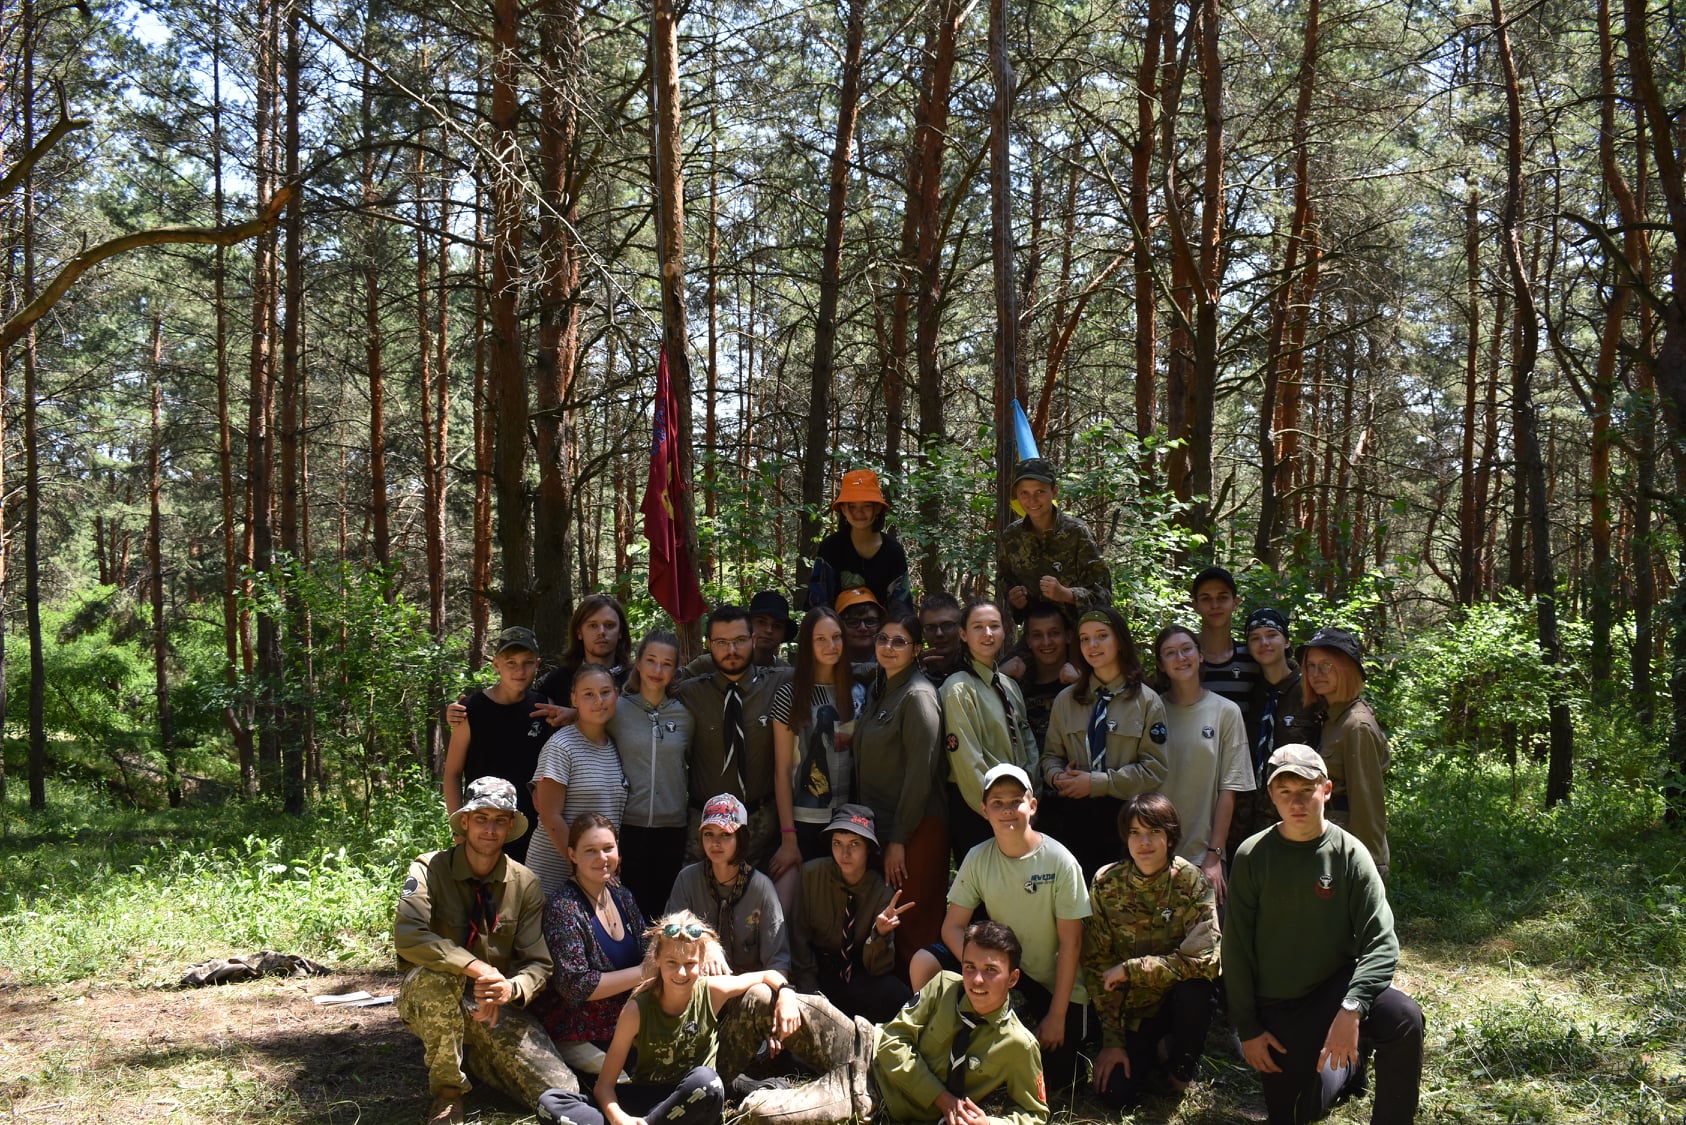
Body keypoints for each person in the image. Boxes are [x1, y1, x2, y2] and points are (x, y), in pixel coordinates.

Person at [1224, 745, 1423, 1124]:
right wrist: (1248, 1027)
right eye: (1285, 792)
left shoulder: (1350, 853)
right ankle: (1348, 1065)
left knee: (1403, 1017)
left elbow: (1382, 941)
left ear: (1326, 790)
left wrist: (1353, 1007)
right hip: (1279, 1003)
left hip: (1336, 989)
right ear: (1271, 796)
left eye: (1306, 790)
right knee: (1299, 1113)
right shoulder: (1252, 855)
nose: (1296, 802)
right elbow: (1236, 949)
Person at [395, 777, 578, 1125]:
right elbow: (409, 934)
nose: (490, 830)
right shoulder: (429, 868)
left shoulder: (525, 883)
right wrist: (477, 968)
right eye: (481, 819)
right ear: (465, 821)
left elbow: (538, 963)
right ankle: (448, 1094)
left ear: (510, 827)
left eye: (499, 821)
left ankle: (474, 1059)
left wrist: (510, 988)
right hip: (431, 992)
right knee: (437, 980)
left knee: (562, 1091)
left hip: (490, 1002)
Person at [910, 764, 1090, 1091]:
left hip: (1051, 984)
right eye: (997, 803)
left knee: (1060, 1081)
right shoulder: (978, 857)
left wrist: (1057, 1015)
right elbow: (952, 927)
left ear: (1032, 806)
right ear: (984, 810)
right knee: (924, 962)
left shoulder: (1060, 861)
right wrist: (979, 970)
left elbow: (1072, 944)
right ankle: (935, 1046)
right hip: (1001, 972)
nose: (1007, 810)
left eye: (1015, 801)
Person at [535, 912, 801, 1125]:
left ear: (702, 963)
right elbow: (604, 1087)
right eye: (672, 962)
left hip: (694, 1097)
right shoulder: (636, 1010)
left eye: (690, 964)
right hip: (648, 1098)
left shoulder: (712, 992)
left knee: (708, 1082)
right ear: (657, 960)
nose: (681, 973)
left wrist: (787, 994)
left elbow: (768, 975)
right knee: (549, 1103)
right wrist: (619, 1119)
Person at [1082, 792, 1220, 1110]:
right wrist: (1112, 1041)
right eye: (1135, 832)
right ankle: (1156, 1048)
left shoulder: (1191, 882)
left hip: (1176, 1002)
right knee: (1114, 1094)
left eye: (1154, 832)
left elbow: (1205, 961)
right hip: (1133, 1010)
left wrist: (1133, 968)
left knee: (1198, 991)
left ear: (1170, 837)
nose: (1144, 842)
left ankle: (1180, 1068)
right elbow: (1096, 964)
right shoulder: (1106, 883)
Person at [874, 920, 1048, 1125]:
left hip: (874, 1099)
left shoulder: (1020, 1044)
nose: (977, 979)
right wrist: (942, 1099)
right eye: (970, 967)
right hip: (869, 1058)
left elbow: (1035, 1115)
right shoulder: (943, 986)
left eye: (990, 970)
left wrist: (989, 1123)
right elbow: (891, 1041)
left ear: (1012, 978)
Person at [851, 608, 948, 975]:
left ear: (917, 649)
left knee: (914, 925)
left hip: (916, 829)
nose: (888, 647)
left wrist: (899, 839)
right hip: (884, 826)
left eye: (899, 641)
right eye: (883, 639)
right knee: (892, 921)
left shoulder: (918, 696)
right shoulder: (882, 690)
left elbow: (921, 774)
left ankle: (925, 1001)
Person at [1040, 606, 1169, 879]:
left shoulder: (1147, 701)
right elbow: (1050, 756)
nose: (1093, 645)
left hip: (1129, 822)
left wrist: (1097, 783)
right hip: (1073, 820)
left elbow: (1154, 770)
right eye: (1085, 639)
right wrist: (1057, 777)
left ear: (1120, 641)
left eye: (1101, 636)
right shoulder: (1066, 700)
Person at [672, 606, 791, 868]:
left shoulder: (779, 683)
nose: (732, 650)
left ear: (753, 640)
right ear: (709, 645)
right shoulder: (689, 693)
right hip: (704, 825)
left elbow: (828, 670)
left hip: (761, 823)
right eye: (722, 643)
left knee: (758, 893)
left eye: (739, 640)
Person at [532, 814, 648, 1076]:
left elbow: (647, 948)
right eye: (590, 850)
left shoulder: (622, 895)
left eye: (608, 848)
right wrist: (646, 972)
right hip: (577, 1029)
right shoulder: (564, 908)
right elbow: (576, 985)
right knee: (629, 1081)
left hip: (626, 1020)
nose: (602, 858)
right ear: (572, 855)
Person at [1152, 624, 1253, 905]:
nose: (1180, 658)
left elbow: (1229, 789)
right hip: (1153, 854)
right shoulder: (1150, 709)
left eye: (1186, 649)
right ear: (1161, 664)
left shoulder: (1226, 712)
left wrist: (1214, 855)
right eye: (1170, 653)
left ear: (1200, 655)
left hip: (1203, 857)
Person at [788, 805, 913, 1022]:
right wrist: (810, 994)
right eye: (837, 843)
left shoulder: (881, 892)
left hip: (856, 975)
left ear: (868, 848)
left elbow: (878, 968)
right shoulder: (811, 875)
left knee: (895, 993)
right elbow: (799, 939)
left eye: (854, 844)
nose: (844, 853)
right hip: (816, 974)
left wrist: (879, 934)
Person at [939, 599, 1040, 866]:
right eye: (978, 627)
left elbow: (1027, 743)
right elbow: (967, 762)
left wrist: (1029, 799)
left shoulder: (1008, 685)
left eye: (994, 626)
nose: (987, 634)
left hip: (1017, 807)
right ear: (963, 634)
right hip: (979, 811)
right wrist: (995, 810)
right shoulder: (958, 689)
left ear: (1004, 631)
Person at [443, 627, 551, 863]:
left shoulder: (544, 708)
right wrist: (459, 832)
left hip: (534, 834)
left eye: (527, 663)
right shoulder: (470, 711)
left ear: (537, 664)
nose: (519, 671)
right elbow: (452, 773)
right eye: (511, 662)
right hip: (483, 831)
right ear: (496, 664)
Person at [770, 607, 863, 880]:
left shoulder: (858, 692)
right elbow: (782, 771)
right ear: (807, 645)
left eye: (836, 637)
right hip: (803, 820)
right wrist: (788, 837)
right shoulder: (790, 695)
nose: (830, 645)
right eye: (820, 639)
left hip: (848, 819)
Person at [611, 632, 694, 922]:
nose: (657, 670)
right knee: (629, 911)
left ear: (676, 669)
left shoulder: (686, 715)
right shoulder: (616, 709)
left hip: (673, 828)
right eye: (651, 660)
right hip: (627, 827)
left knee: (665, 913)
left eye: (666, 664)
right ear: (638, 662)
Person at [525, 663, 629, 896]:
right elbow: (550, 815)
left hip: (595, 874)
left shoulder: (616, 746)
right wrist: (582, 866)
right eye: (588, 694)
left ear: (616, 694)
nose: (598, 701)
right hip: (553, 876)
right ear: (574, 699)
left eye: (605, 692)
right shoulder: (561, 747)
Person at [1300, 626, 1390, 879]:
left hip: (1347, 851)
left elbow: (1367, 804)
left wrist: (1371, 868)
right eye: (1311, 666)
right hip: (1325, 841)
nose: (1316, 674)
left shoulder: (1357, 725)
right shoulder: (1330, 717)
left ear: (1347, 668)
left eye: (1326, 665)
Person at [665, 793, 790, 974]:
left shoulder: (761, 888)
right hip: (697, 978)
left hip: (748, 982)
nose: (715, 843)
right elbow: (670, 938)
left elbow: (779, 964)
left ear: (741, 838)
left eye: (725, 834)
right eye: (708, 834)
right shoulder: (687, 879)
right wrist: (706, 945)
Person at [1231, 608, 1321, 851]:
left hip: (1296, 813)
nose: (1264, 643)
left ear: (1287, 641)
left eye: (1271, 635)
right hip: (1247, 818)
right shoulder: (1250, 691)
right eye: (1255, 638)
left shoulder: (1311, 690)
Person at [998, 457, 1112, 632]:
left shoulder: (1077, 532)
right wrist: (1014, 599)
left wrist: (1067, 594)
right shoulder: (1012, 536)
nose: (1032, 500)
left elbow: (1104, 595)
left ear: (1054, 491)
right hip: (1036, 636)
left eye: (1040, 492)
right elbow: (1005, 583)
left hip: (1078, 634)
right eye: (1024, 493)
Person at [807, 469, 913, 615]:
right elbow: (817, 604)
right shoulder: (831, 547)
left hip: (884, 628)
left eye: (866, 506)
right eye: (852, 506)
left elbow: (902, 608)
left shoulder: (893, 551)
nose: (859, 512)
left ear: (878, 508)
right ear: (843, 509)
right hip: (836, 627)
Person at [535, 595, 634, 719]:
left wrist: (576, 716)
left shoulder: (636, 680)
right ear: (579, 632)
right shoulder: (555, 681)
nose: (601, 632)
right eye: (593, 625)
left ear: (620, 632)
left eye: (609, 625)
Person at [1000, 603, 1078, 750]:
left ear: (1068, 636)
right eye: (1037, 635)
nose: (1046, 642)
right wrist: (999, 676)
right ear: (1028, 641)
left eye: (1054, 633)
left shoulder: (1079, 683)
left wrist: (1083, 684)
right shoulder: (1016, 687)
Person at [1190, 565, 1260, 720]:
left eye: (1222, 597)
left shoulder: (1253, 658)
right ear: (1195, 606)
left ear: (1235, 602)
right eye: (1206, 598)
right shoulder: (1184, 659)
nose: (1215, 605)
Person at [917, 592, 965, 687]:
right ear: (923, 632)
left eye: (947, 625)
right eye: (930, 627)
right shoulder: (917, 669)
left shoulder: (975, 666)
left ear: (961, 629)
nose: (939, 633)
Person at [835, 586, 885, 664]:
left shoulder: (895, 661)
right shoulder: (827, 663)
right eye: (853, 622)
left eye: (870, 621)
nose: (863, 628)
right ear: (838, 625)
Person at [748, 591, 796, 668]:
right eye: (761, 622)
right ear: (747, 625)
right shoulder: (730, 667)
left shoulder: (788, 673)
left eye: (777, 626)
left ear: (784, 633)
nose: (769, 630)